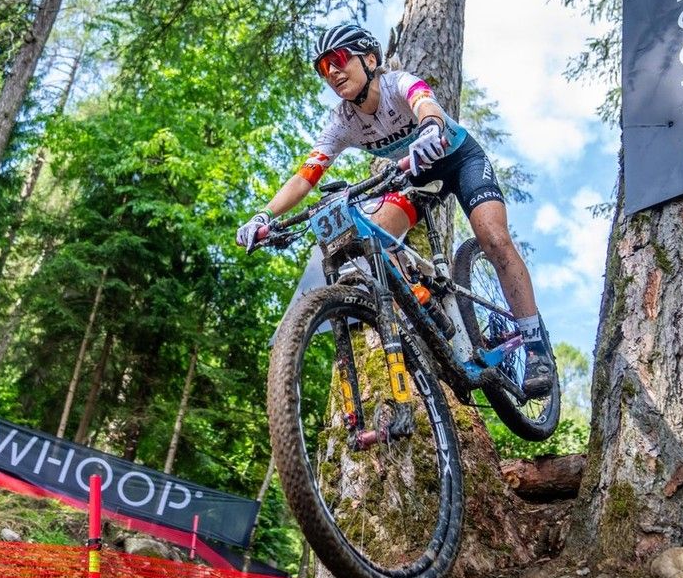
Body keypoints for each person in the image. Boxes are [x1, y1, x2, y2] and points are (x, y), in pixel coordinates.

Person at [236, 24, 554, 396]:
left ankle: (535, 346)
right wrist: (264, 215)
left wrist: (431, 128)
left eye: (339, 59)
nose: (332, 72)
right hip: (414, 174)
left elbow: (424, 103)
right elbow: (305, 176)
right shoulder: (342, 121)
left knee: (494, 238)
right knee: (372, 239)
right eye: (324, 68)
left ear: (370, 60)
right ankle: (424, 301)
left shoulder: (396, 84)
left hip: (459, 160)